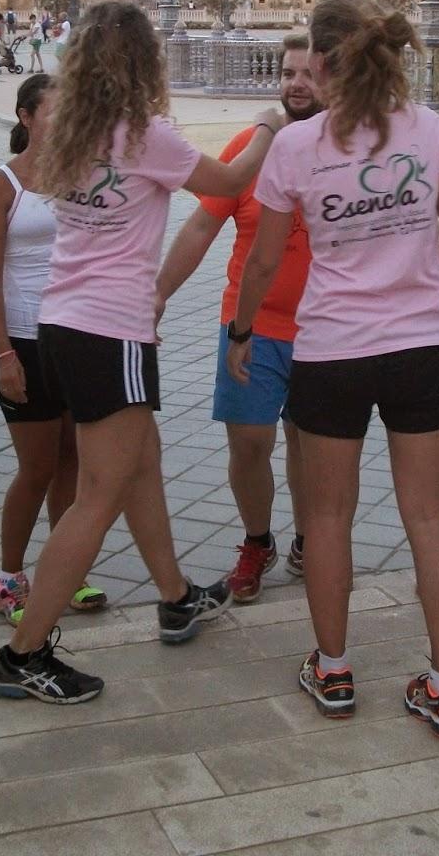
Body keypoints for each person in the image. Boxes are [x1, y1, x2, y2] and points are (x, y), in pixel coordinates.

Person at [0, 0, 283, 705]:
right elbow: (232, 181)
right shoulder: (145, 136)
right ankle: (22, 652)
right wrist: (268, 126)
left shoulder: (67, 130)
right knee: (98, 496)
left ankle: (176, 596)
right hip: (110, 329)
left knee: (140, 465)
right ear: (145, 60)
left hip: (62, 322)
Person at [226, 0, 439, 736]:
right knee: (432, 520)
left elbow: (267, 258)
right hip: (419, 351)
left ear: (325, 64)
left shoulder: (296, 147)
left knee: (327, 518)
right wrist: (434, 296)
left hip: (331, 350)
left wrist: (242, 330)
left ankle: (333, 669)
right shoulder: (428, 129)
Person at [156, 34, 320, 601]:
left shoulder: (349, 144)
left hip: (329, 330)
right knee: (249, 443)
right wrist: (159, 294)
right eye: (287, 71)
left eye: (309, 72)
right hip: (253, 327)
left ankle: (307, 538)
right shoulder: (251, 145)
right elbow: (202, 226)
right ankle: (258, 540)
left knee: (310, 442)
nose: (296, 83)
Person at [0, 72, 108, 623]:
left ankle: (65, 568)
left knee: (73, 460)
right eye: (53, 111)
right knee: (37, 466)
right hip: (22, 344)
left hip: (73, 339)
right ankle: (9, 577)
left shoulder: (83, 179)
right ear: (27, 117)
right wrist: (5, 354)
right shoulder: (1, 185)